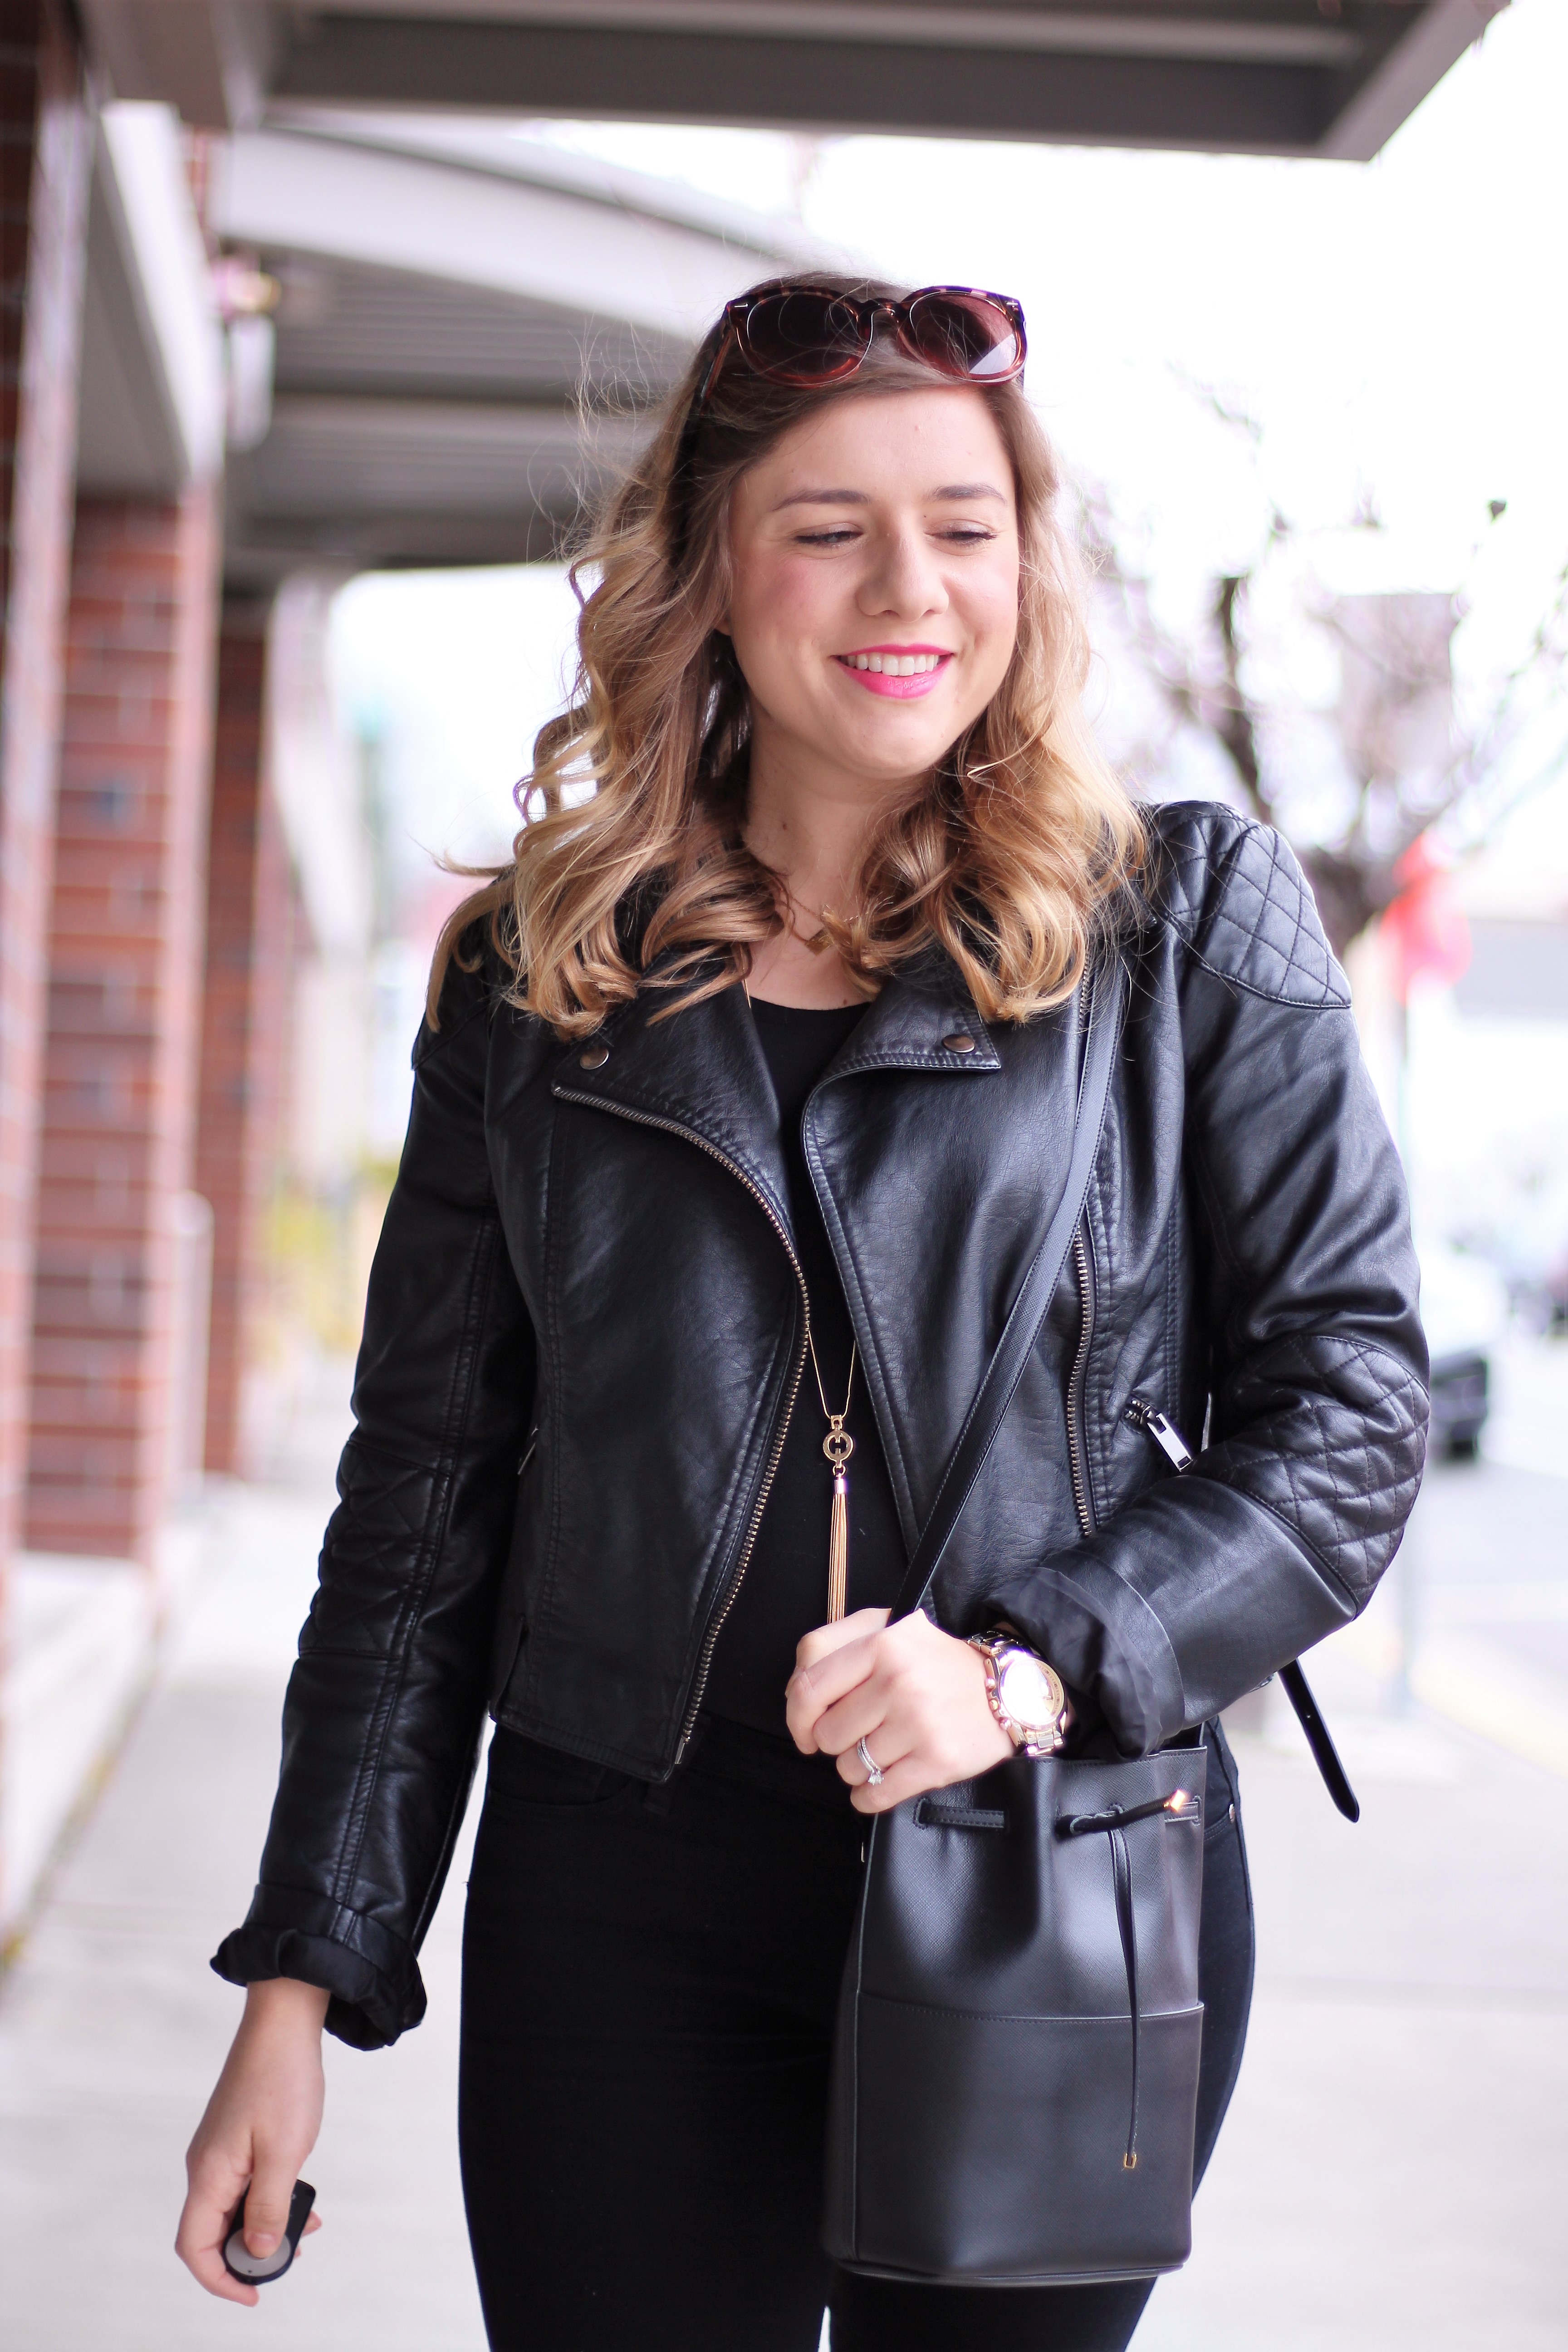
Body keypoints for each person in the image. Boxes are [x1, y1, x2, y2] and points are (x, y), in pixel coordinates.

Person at [176, 279, 1428, 2351]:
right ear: (711, 566)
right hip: (624, 1904)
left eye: (964, 519)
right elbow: (422, 1500)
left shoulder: (1185, 924)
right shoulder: (544, 978)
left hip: (1053, 1875)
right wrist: (299, 1980)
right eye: (829, 523)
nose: (908, 583)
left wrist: (1027, 1674)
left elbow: (1354, 1416)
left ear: (1027, 557)